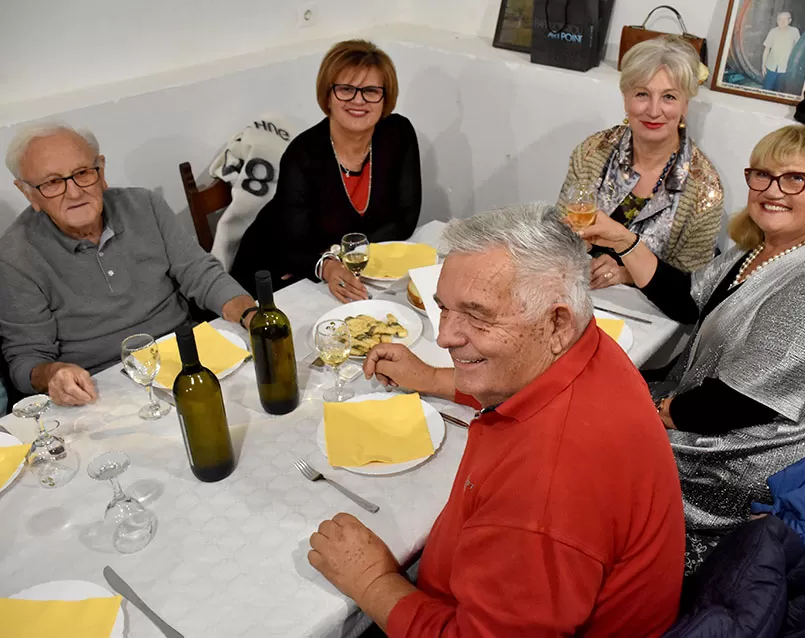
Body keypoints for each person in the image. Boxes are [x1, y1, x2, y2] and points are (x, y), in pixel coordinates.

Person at [307, 204, 685, 636]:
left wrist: (371, 581)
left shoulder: (545, 492)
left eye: (477, 314)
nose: (445, 336)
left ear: (556, 323)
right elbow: (521, 374)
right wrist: (431, 377)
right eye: (443, 309)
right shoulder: (583, 345)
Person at [578, 124, 805, 575]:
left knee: (590, 448)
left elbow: (742, 402)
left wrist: (650, 409)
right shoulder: (763, 248)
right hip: (722, 415)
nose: (772, 190)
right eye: (761, 174)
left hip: (755, 460)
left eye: (795, 179)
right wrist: (623, 241)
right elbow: (687, 298)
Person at [0, 123, 256, 407]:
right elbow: (26, 359)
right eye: (52, 183)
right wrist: (54, 374)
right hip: (100, 388)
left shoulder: (145, 205)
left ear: (101, 171)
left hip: (184, 355)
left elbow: (201, 274)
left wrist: (250, 313)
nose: (73, 193)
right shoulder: (15, 256)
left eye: (82, 173)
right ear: (27, 192)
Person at [231, 39, 421, 303]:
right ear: (328, 95)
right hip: (277, 270)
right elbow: (294, 245)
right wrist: (327, 263)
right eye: (346, 89)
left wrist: (339, 256)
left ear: (385, 97)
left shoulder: (399, 135)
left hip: (351, 270)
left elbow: (406, 218)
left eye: (371, 91)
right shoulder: (302, 155)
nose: (358, 100)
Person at [557, 35, 723, 289]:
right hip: (579, 290)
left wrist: (625, 274)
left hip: (652, 313)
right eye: (642, 94)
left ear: (685, 105)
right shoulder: (592, 152)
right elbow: (560, 235)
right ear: (626, 99)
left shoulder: (704, 188)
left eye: (669, 97)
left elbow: (694, 288)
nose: (654, 110)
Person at [762, 12, 801, 92]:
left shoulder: (795, 31)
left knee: (779, 91)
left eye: (785, 19)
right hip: (771, 67)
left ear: (790, 20)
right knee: (766, 90)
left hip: (785, 69)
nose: (782, 22)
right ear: (777, 21)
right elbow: (767, 49)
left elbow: (798, 50)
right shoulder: (773, 31)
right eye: (780, 19)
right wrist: (763, 65)